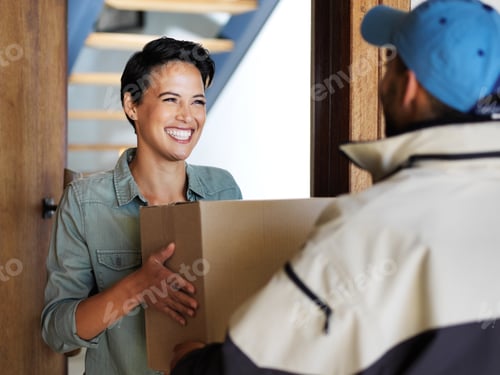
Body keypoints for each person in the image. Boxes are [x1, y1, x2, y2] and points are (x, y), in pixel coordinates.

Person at [169, 0, 500, 374]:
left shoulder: (373, 227)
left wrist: (190, 364)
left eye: (391, 59)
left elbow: (247, 368)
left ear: (409, 87)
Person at [41, 37, 242, 375]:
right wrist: (134, 288)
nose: (188, 117)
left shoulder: (223, 189)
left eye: (197, 102)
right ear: (131, 105)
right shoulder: (85, 202)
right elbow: (57, 333)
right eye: (170, 100)